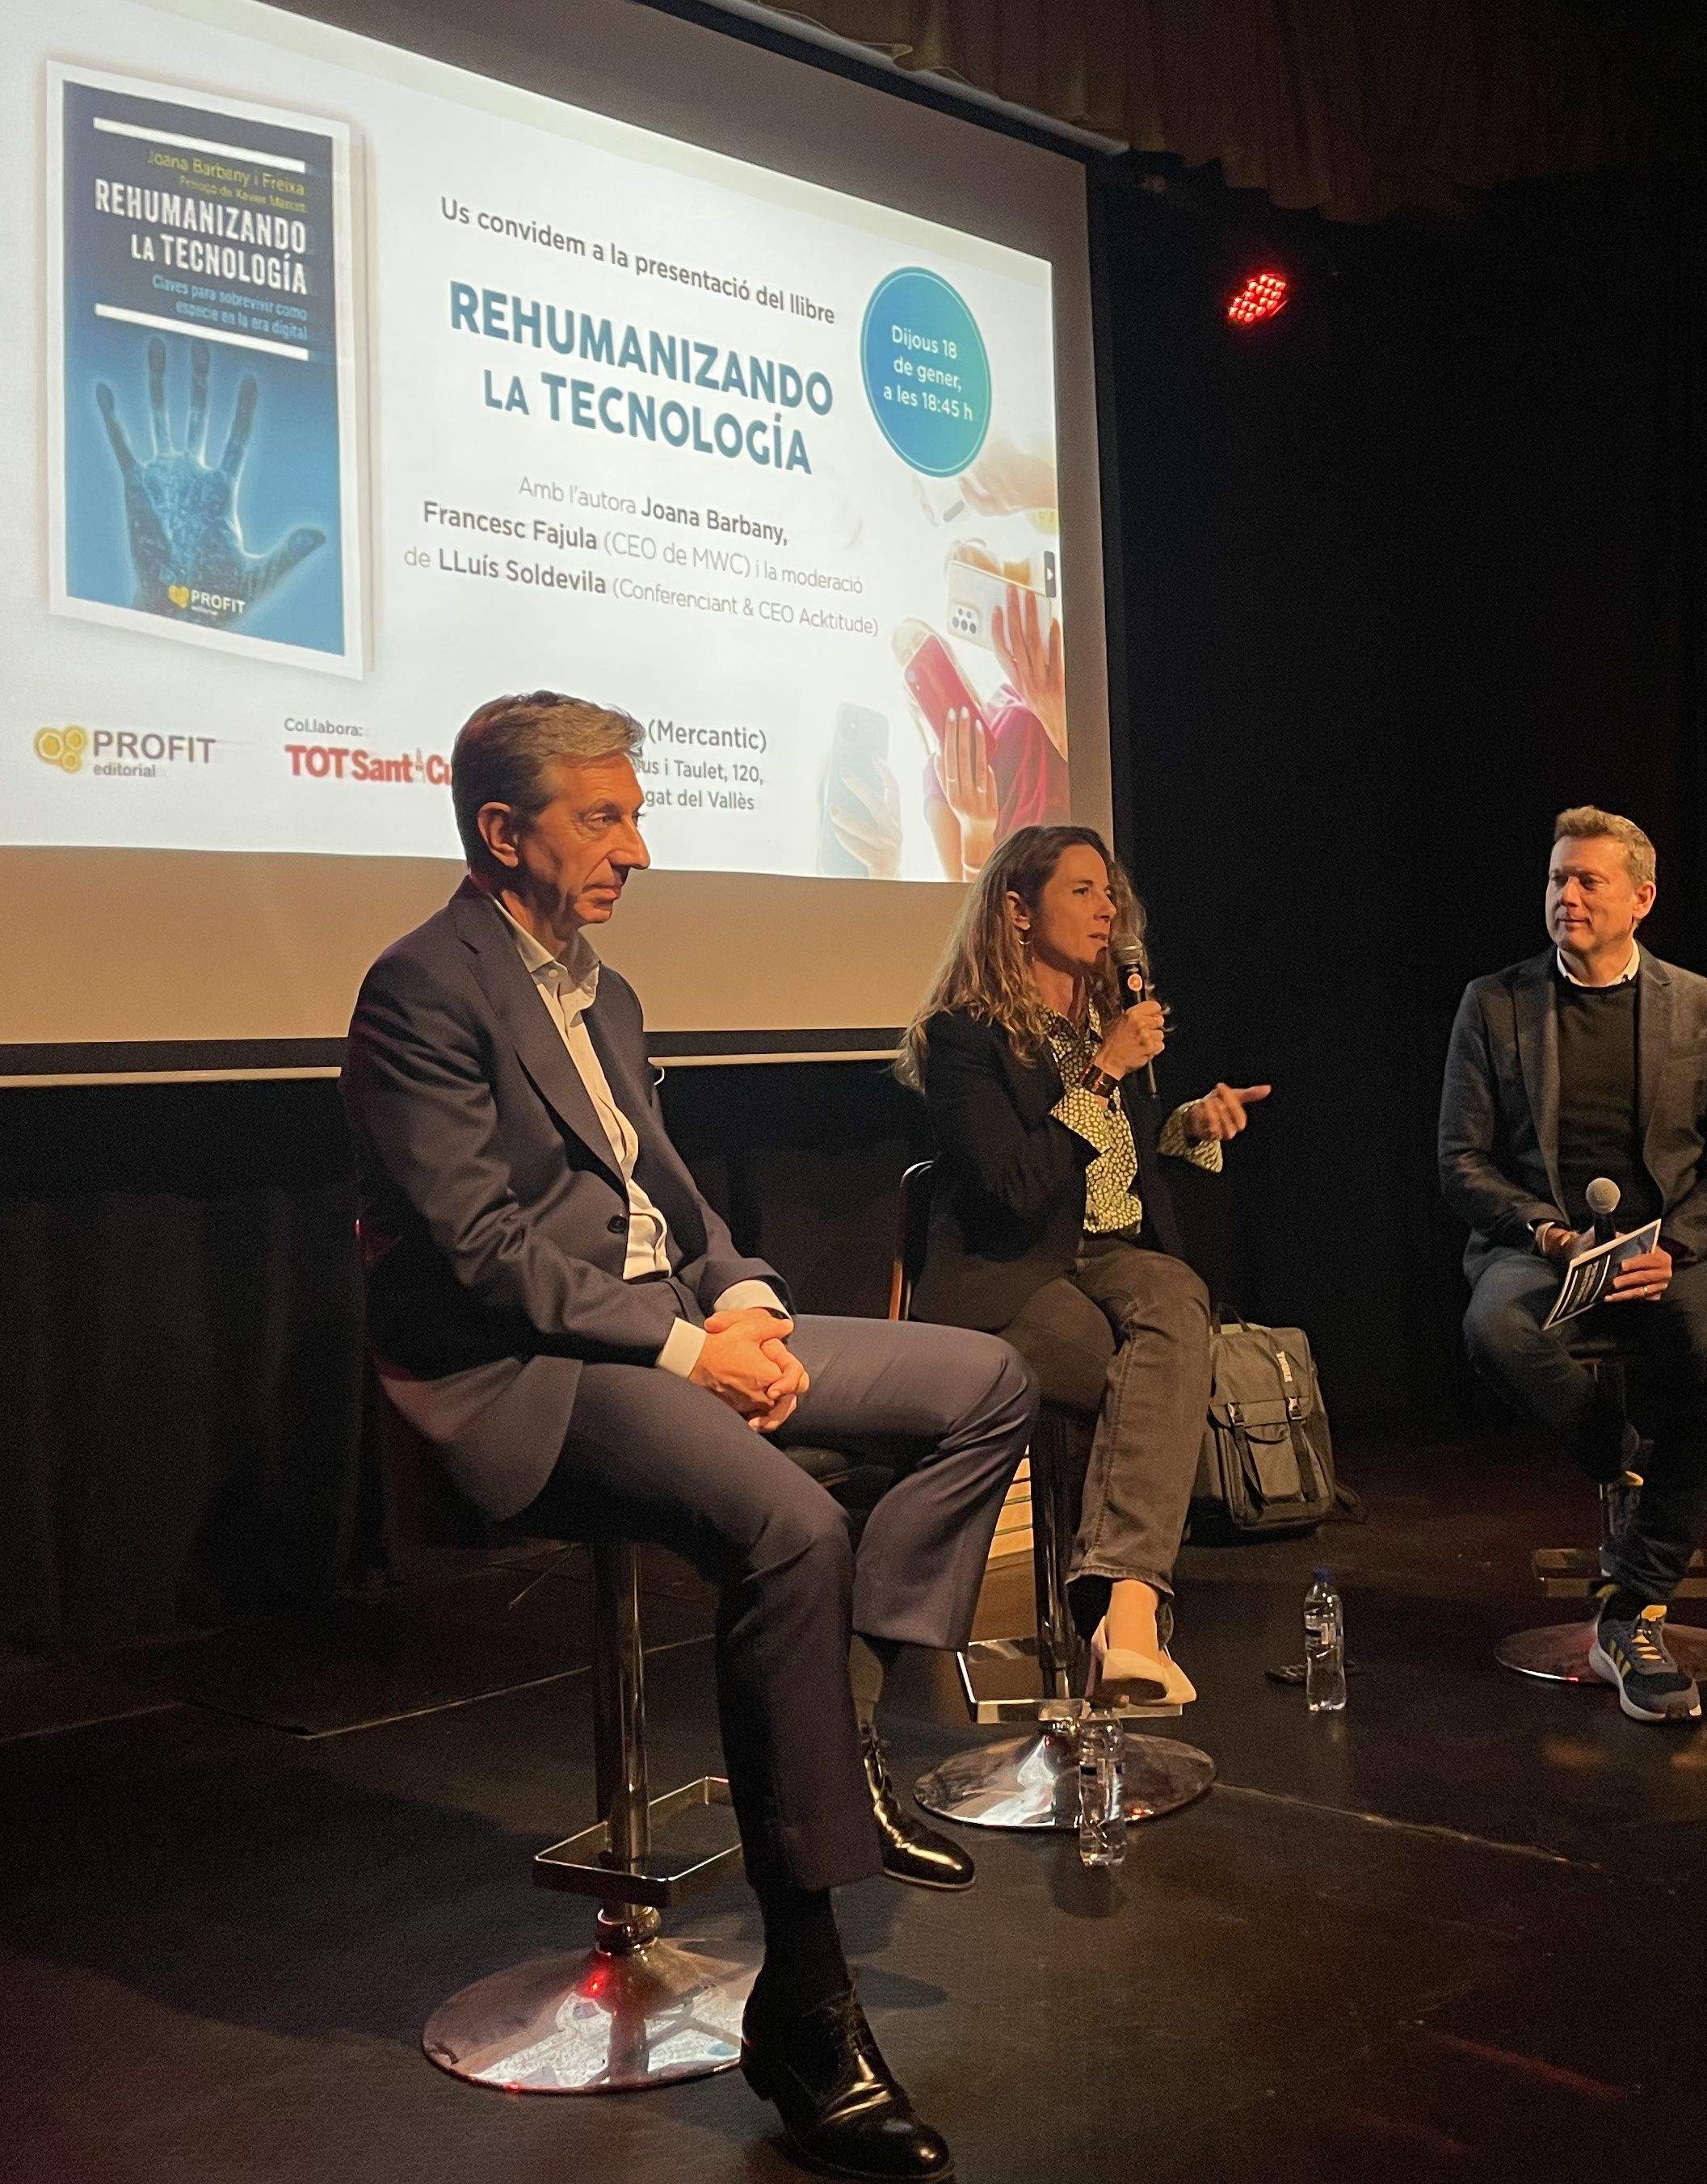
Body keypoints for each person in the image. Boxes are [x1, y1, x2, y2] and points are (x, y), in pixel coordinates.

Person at [344, 692, 1030, 2184]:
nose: (638, 848)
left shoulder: (607, 992)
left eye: (637, 814)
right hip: (535, 1366)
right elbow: (479, 1252)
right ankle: (809, 2007)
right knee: (792, 1526)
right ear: (501, 831)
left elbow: (674, 1199)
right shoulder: (421, 989)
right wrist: (682, 1348)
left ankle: (844, 1711)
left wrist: (748, 1299)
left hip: (672, 1327)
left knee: (983, 1380)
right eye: (604, 818)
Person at [895, 825, 1270, 1705]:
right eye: (1083, 891)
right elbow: (1014, 1191)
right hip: (1013, 1269)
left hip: (1113, 1254)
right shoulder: (965, 1038)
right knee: (1147, 1379)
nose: (1109, 909)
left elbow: (1115, 1165)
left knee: (1179, 1294)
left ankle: (1123, 1611)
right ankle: (1120, 1617)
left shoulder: (1109, 1023)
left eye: (1111, 892)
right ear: (1018, 912)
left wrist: (1186, 1125)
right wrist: (1103, 1072)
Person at [1436, 807, 1707, 1726]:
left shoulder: (1704, 1006)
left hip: (1675, 1245)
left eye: (1588, 881)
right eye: (1557, 879)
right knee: (1496, 1329)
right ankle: (1625, 1462)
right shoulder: (1495, 1002)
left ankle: (1634, 1597)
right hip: (1546, 1244)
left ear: (1641, 898)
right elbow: (1461, 1161)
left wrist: (1677, 1247)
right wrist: (1547, 1233)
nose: (1567, 896)